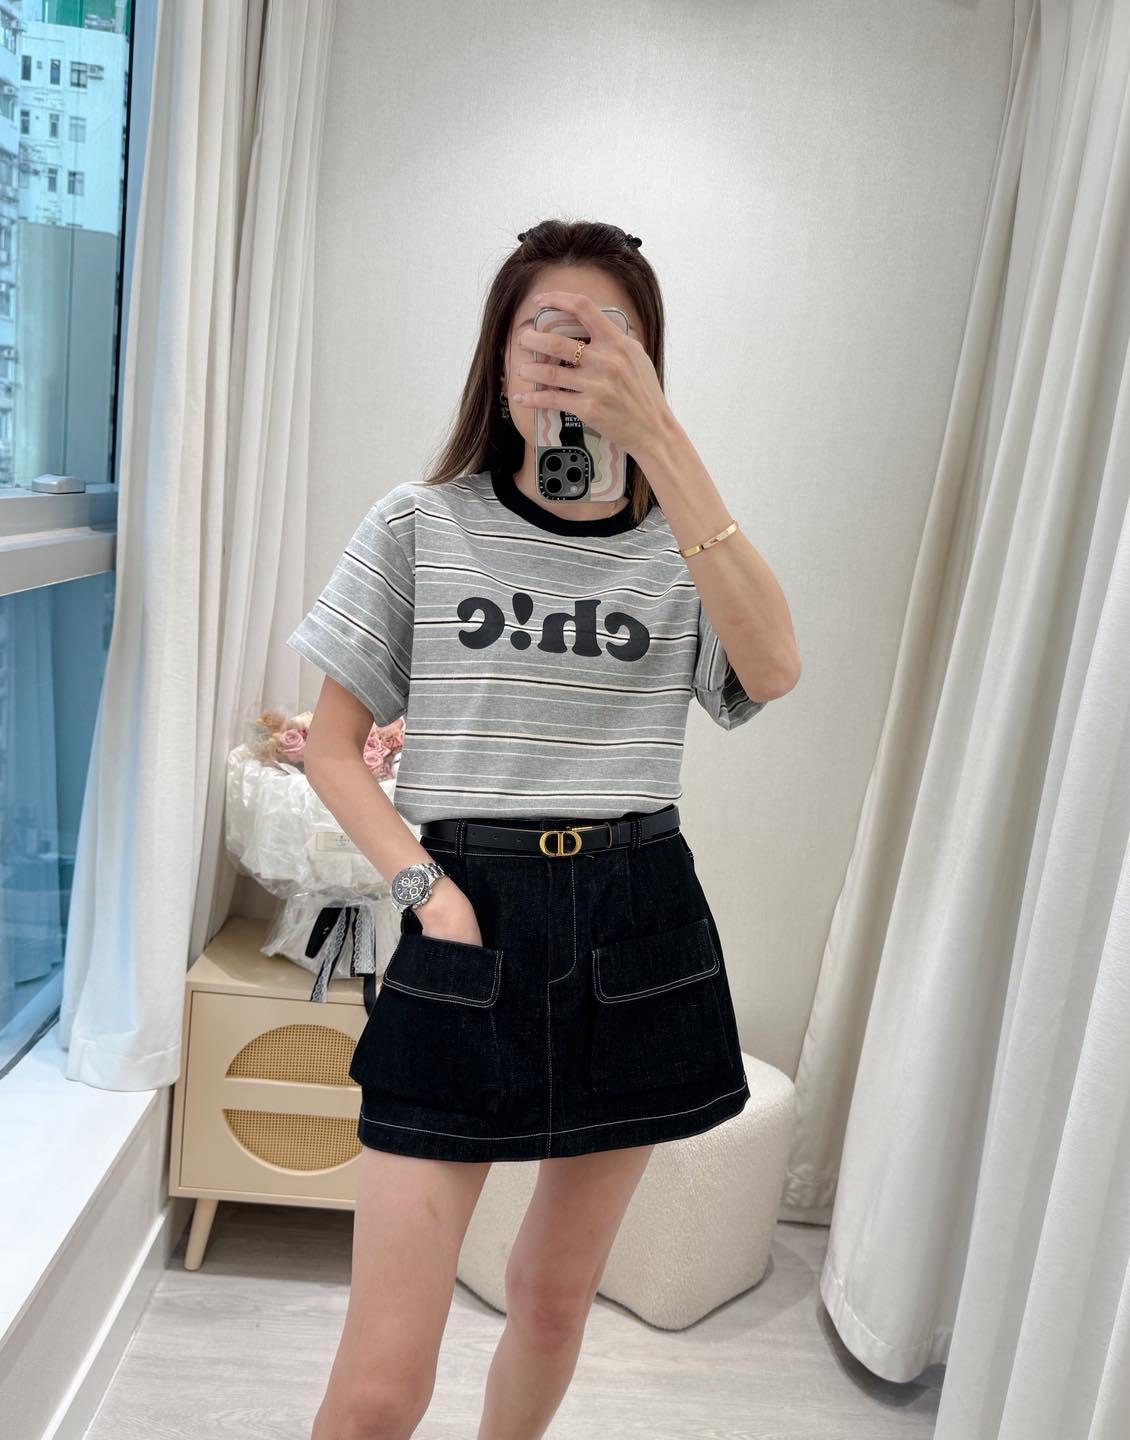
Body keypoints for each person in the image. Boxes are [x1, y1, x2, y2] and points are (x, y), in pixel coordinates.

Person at [288, 219, 801, 1440]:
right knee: (379, 1383)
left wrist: (662, 444)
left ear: (649, 365)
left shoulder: (684, 548)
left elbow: (772, 670)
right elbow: (329, 745)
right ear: (501, 357)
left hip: (637, 919)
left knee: (555, 1299)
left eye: (611, 336)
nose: (577, 358)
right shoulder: (421, 525)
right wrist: (427, 894)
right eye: (550, 332)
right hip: (465, 919)